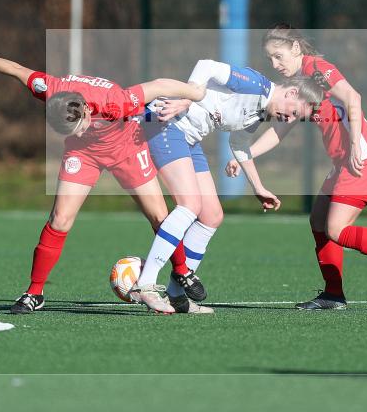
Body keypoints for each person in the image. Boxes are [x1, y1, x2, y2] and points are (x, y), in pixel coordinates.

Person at [0, 42, 209, 313]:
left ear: (86, 109)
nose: (80, 131)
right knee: (59, 218)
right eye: (71, 130)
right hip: (84, 155)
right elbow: (15, 69)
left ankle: (182, 270)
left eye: (80, 126)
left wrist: (195, 93)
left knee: (159, 216)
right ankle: (34, 293)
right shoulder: (52, 90)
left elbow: (158, 85)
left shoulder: (115, 101)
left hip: (126, 148)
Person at [226, 24, 367, 310]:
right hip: (342, 162)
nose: (275, 64)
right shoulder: (297, 83)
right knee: (318, 222)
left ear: (296, 47)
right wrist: (245, 154)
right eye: (270, 58)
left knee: (336, 229)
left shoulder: (317, 69)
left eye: (279, 56)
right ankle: (334, 294)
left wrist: (356, 144)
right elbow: (279, 131)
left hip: (361, 157)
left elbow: (353, 98)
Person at [129, 58, 324, 314]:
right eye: (295, 112)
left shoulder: (259, 113)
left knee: (211, 215)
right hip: (165, 124)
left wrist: (258, 186)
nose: (290, 119)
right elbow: (206, 66)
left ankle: (177, 295)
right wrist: (190, 94)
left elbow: (239, 144)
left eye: (297, 119)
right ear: (291, 92)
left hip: (189, 138)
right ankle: (145, 284)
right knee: (190, 205)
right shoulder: (255, 85)